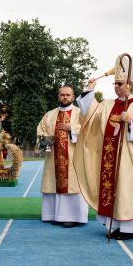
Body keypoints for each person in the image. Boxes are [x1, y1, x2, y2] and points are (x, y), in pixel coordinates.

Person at [74, 54, 133, 240]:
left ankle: (130, 228)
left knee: (126, 189)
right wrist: (89, 90)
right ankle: (116, 224)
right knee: (111, 187)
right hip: (110, 157)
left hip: (129, 159)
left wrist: (132, 123)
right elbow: (90, 115)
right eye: (114, 84)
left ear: (129, 84)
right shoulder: (107, 105)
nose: (116, 87)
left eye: (119, 84)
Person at [36, 86, 87, 227]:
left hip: (73, 159)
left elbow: (87, 130)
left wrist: (72, 129)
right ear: (58, 96)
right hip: (53, 158)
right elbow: (40, 130)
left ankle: (74, 217)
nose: (65, 97)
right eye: (62, 95)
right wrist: (45, 139)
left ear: (73, 96)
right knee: (53, 184)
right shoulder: (50, 115)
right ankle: (53, 214)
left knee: (72, 186)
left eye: (68, 95)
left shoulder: (80, 114)